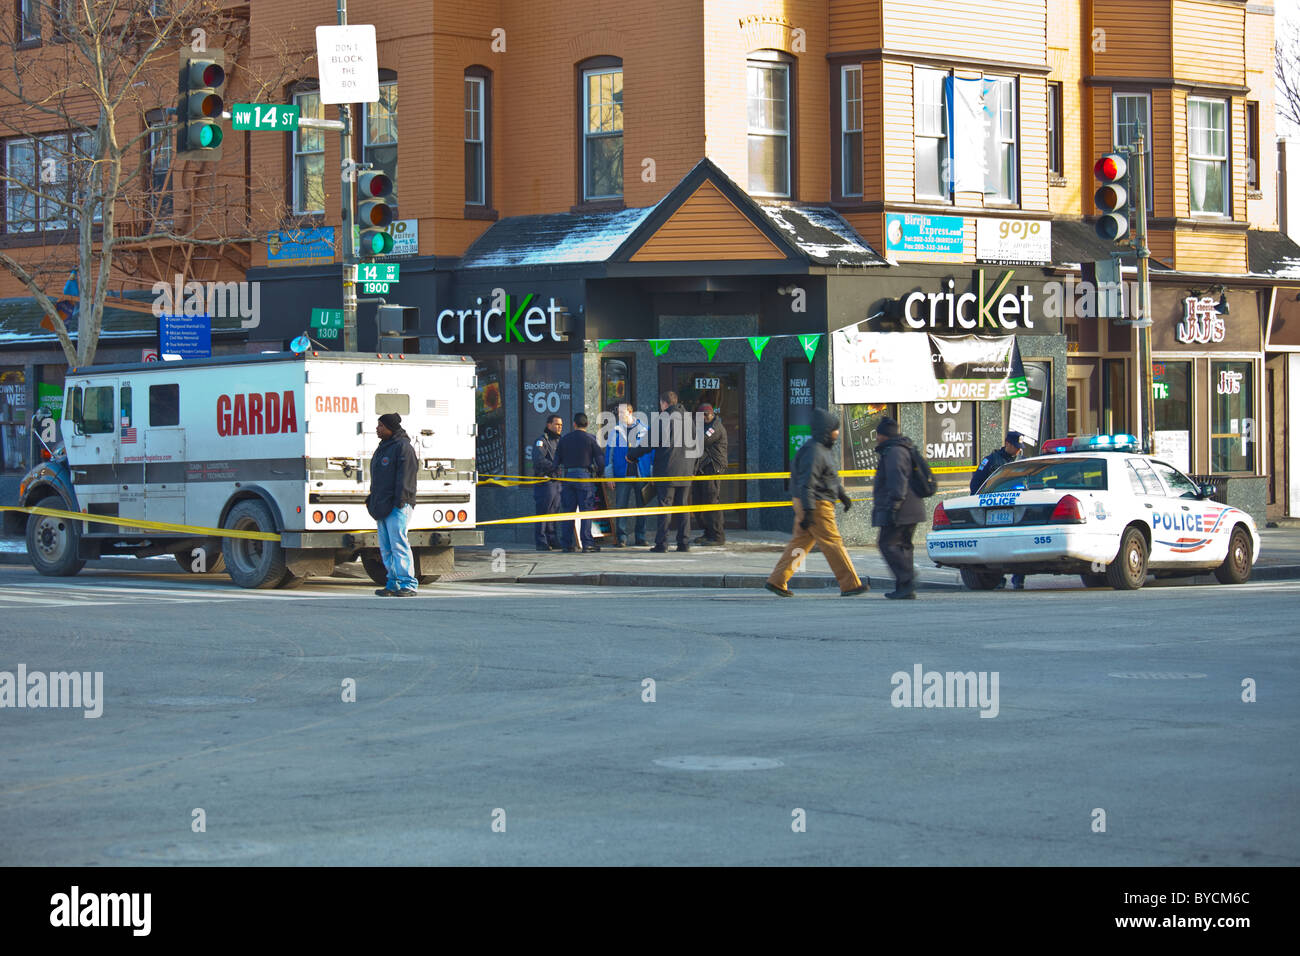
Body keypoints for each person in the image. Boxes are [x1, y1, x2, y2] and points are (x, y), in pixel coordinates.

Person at [766, 408, 868, 597]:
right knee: (833, 543)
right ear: (827, 430)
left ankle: (777, 580)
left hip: (811, 503)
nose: (838, 433)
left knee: (800, 543)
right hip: (817, 504)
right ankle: (851, 584)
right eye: (835, 429)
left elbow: (829, 477)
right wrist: (810, 510)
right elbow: (808, 483)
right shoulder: (814, 451)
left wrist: (842, 495)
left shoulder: (821, 449)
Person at [629, 391, 692, 553]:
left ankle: (662, 544)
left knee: (664, 508)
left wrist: (632, 455)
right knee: (683, 507)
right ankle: (684, 543)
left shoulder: (664, 419)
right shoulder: (689, 419)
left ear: (664, 403)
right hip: (686, 472)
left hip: (667, 470)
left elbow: (648, 442)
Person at [872, 416, 926, 600]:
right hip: (912, 507)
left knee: (887, 544)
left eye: (878, 434)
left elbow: (898, 481)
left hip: (901, 508)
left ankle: (907, 579)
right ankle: (904, 587)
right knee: (903, 546)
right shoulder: (902, 449)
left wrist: (893, 506)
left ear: (884, 435)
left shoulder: (894, 452)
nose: (877, 438)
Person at [367, 412, 419, 596]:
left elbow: (406, 477)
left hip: (398, 506)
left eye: (381, 426)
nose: (377, 429)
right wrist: (372, 501)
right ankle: (393, 583)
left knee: (399, 544)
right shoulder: (383, 447)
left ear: (390, 428)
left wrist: (401, 502)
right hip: (381, 506)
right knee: (386, 547)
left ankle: (408, 583)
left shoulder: (403, 447)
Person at [970, 431, 1026, 589]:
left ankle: (1019, 578)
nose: (1018, 450)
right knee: (997, 544)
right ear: (1007, 444)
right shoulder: (991, 460)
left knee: (1019, 543)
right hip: (995, 507)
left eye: (1019, 448)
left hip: (1018, 506)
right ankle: (998, 578)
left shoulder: (1023, 460)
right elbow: (976, 484)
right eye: (1015, 447)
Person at [554, 411, 604, 553]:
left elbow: (555, 462)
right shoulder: (591, 439)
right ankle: (587, 543)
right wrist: (598, 475)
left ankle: (567, 544)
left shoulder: (564, 439)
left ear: (574, 424)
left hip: (568, 478)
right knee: (586, 512)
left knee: (568, 512)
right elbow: (601, 462)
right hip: (584, 478)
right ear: (587, 424)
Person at [605, 403, 652, 547]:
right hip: (622, 475)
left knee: (642, 508)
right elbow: (609, 454)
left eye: (622, 412)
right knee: (621, 507)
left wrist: (652, 474)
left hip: (641, 474)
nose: (619, 415)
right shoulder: (615, 431)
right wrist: (609, 476)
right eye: (618, 413)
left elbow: (652, 453)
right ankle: (621, 538)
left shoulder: (645, 429)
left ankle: (640, 536)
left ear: (630, 412)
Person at [692, 402, 729, 546]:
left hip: (713, 468)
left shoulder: (715, 427)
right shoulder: (702, 426)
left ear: (712, 414)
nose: (704, 418)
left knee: (711, 500)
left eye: (706, 415)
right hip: (702, 468)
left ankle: (718, 536)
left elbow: (702, 441)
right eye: (701, 416)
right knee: (699, 501)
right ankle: (708, 532)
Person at [531, 413, 563, 551]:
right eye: (557, 424)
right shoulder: (542, 441)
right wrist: (555, 466)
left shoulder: (559, 441)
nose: (559, 427)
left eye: (561, 425)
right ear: (549, 425)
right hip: (545, 481)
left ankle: (552, 539)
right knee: (543, 511)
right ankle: (541, 540)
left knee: (554, 511)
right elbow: (539, 460)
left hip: (557, 481)